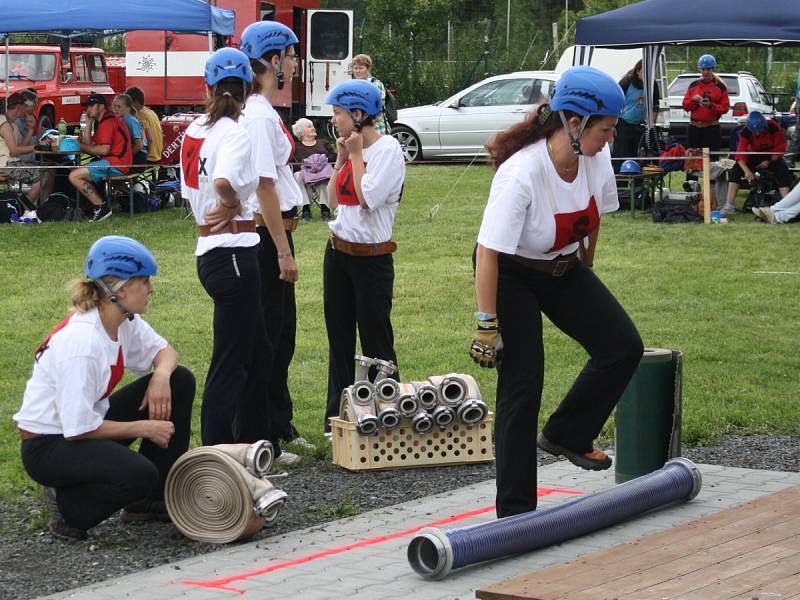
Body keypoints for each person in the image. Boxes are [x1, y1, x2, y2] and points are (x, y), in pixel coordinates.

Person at [471, 66, 644, 518]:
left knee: (622, 346)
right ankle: (515, 512)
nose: (611, 139)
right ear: (574, 124)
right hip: (510, 273)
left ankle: (567, 434)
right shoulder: (522, 173)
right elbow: (488, 251)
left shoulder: (596, 158)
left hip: (562, 267)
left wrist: (585, 267)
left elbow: (593, 214)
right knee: (523, 383)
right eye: (605, 130)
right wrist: (486, 325)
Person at [12, 235, 195, 541]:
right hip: (49, 445)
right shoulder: (81, 342)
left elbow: (165, 353)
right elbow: (77, 428)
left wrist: (161, 376)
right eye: (145, 281)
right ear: (120, 289)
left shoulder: (122, 319)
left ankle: (148, 500)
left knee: (180, 380)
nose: (151, 289)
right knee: (139, 473)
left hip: (79, 427)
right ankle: (68, 508)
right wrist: (146, 427)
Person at [180, 48, 286, 458]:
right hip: (235, 251)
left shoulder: (194, 130)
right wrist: (232, 201)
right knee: (231, 360)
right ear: (247, 89)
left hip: (210, 249)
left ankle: (256, 442)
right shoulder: (235, 132)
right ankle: (216, 451)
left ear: (207, 88)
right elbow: (223, 180)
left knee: (257, 350)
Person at [240, 21, 307, 462]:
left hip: (275, 233)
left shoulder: (262, 108)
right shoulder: (259, 114)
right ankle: (265, 432)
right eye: (290, 54)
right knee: (269, 337)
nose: (296, 62)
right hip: (268, 237)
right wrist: (283, 250)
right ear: (273, 59)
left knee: (281, 335)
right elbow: (265, 185)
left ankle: (278, 423)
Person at [322, 79, 405, 436]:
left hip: (371, 258)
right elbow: (332, 202)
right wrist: (342, 159)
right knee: (339, 337)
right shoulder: (349, 150)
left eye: (339, 114)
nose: (334, 120)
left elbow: (369, 196)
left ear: (358, 114)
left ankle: (387, 412)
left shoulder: (387, 150)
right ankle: (338, 416)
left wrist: (356, 156)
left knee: (375, 337)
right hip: (338, 251)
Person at [69, 94, 132, 222]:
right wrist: (88, 124)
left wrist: (79, 146)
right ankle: (97, 206)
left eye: (91, 106)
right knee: (76, 172)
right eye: (88, 106)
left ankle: (101, 207)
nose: (88, 109)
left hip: (116, 164)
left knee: (74, 176)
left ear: (101, 107)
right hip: (114, 162)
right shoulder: (105, 121)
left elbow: (103, 149)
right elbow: (91, 144)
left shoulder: (108, 122)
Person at [723, 111, 791, 214]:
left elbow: (780, 149)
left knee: (782, 170)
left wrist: (769, 160)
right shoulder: (745, 131)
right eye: (755, 132)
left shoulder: (774, 127)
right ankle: (729, 205)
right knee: (736, 169)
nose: (757, 134)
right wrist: (746, 171)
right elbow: (740, 154)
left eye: (760, 131)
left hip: (772, 156)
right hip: (754, 155)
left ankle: (786, 206)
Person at [0, 92, 51, 207]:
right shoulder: (4, 123)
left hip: (11, 163)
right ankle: (23, 207)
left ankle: (33, 204)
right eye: (24, 108)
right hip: (5, 165)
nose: (26, 111)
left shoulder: (11, 123)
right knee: (44, 174)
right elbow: (14, 151)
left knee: (47, 167)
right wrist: (36, 147)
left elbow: (21, 145)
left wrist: (30, 129)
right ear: (18, 107)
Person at [613, 60, 660, 172]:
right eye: (645, 72)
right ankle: (620, 184)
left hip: (639, 124)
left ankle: (637, 184)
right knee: (622, 154)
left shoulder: (652, 85)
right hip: (623, 123)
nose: (648, 76)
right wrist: (613, 126)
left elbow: (655, 105)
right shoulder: (626, 83)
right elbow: (614, 102)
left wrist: (651, 124)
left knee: (638, 155)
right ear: (638, 71)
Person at [682, 54, 730, 153]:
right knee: (693, 161)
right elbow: (685, 106)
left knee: (711, 161)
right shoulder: (693, 85)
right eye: (703, 69)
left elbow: (725, 108)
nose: (705, 72)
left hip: (711, 129)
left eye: (708, 69)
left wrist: (711, 105)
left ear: (713, 69)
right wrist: (693, 100)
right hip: (694, 128)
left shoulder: (720, 87)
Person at [291, 117, 335, 222]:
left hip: (322, 173)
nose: (313, 128)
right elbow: (294, 163)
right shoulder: (296, 147)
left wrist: (320, 163)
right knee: (298, 175)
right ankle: (306, 209)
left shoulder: (323, 142)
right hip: (306, 175)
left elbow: (334, 157)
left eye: (312, 126)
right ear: (301, 132)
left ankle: (325, 209)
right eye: (309, 126)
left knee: (326, 176)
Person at [351, 54, 389, 135]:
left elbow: (377, 106)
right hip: (360, 129)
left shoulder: (375, 84)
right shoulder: (353, 86)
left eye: (361, 68)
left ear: (368, 69)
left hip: (377, 129)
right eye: (355, 68)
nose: (357, 71)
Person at [125, 86, 164, 166]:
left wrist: (145, 158)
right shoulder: (151, 112)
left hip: (149, 158)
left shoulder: (140, 115)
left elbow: (150, 139)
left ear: (134, 102)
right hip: (157, 156)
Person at [111, 94, 148, 169]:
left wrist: (125, 156)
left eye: (119, 107)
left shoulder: (130, 121)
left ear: (128, 107)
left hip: (138, 157)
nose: (115, 109)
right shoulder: (123, 120)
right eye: (114, 106)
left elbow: (139, 146)